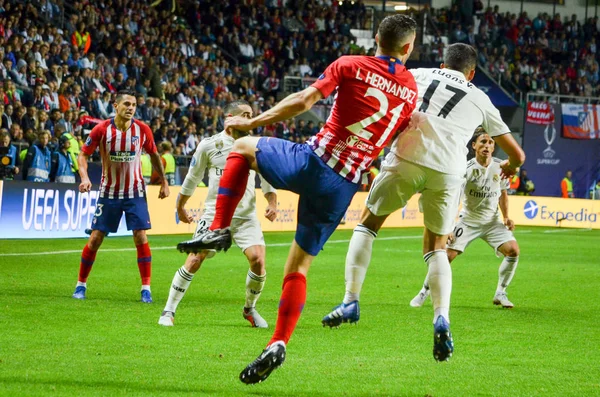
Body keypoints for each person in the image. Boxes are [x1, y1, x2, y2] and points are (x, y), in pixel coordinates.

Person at [177, 14, 419, 384]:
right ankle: (278, 341)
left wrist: (253, 122)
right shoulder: (411, 89)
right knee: (297, 268)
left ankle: (219, 230)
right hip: (343, 186)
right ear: (408, 48)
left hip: (314, 161)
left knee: (242, 147)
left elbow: (305, 100)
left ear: (375, 39)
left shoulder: (350, 64)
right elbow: (395, 137)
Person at [321, 44, 525, 363]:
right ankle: (441, 318)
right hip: (449, 170)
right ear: (472, 73)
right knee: (436, 248)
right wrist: (512, 166)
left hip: (407, 157)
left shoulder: (416, 74)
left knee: (368, 224)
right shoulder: (480, 97)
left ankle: (350, 299)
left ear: (442, 63)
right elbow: (517, 155)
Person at [158, 100, 278, 328]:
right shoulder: (210, 145)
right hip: (215, 214)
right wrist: (180, 206)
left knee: (258, 261)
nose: (250, 119)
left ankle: (249, 309)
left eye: (251, 114)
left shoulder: (256, 145)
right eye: (245, 114)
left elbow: (267, 178)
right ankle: (168, 310)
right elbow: (192, 178)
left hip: (246, 215)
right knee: (194, 259)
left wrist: (272, 201)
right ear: (230, 119)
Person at [72, 89, 170, 303]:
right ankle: (80, 285)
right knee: (96, 238)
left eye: (133, 105)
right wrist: (85, 177)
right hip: (109, 193)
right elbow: (83, 154)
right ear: (115, 106)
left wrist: (163, 180)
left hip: (135, 192)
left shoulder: (142, 130)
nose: (131, 108)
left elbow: (154, 155)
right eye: (126, 104)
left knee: (140, 236)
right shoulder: (102, 130)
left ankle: (146, 288)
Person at [410, 131, 521, 309]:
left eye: (491, 142)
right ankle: (424, 291)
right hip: (468, 221)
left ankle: (501, 292)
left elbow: (503, 194)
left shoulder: (501, 167)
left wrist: (506, 216)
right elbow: (455, 198)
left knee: (513, 251)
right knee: (446, 257)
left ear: (494, 147)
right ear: (474, 146)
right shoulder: (466, 169)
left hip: (492, 222)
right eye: (483, 142)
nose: (487, 145)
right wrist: (451, 225)